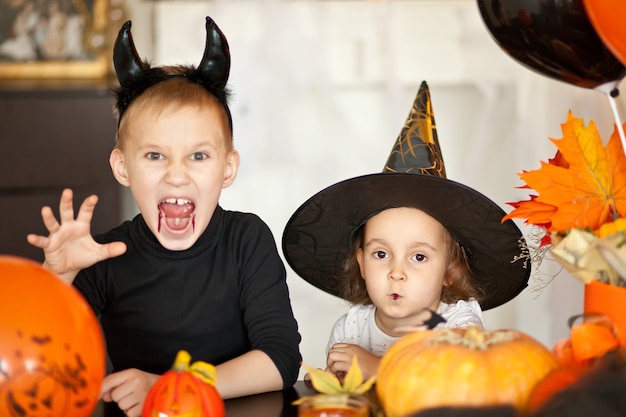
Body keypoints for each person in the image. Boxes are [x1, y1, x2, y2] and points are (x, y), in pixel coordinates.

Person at [27, 17, 301, 417]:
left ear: (227, 168)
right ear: (123, 168)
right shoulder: (103, 256)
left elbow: (280, 360)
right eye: (155, 155)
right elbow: (36, 355)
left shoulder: (247, 240)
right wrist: (58, 276)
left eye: (198, 156)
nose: (176, 174)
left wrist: (172, 387)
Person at [282, 82, 530, 381]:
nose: (396, 272)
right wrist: (331, 380)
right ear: (360, 262)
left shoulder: (456, 324)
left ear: (450, 270)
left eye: (419, 257)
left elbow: (460, 381)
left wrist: (378, 368)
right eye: (381, 253)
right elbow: (353, 392)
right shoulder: (352, 328)